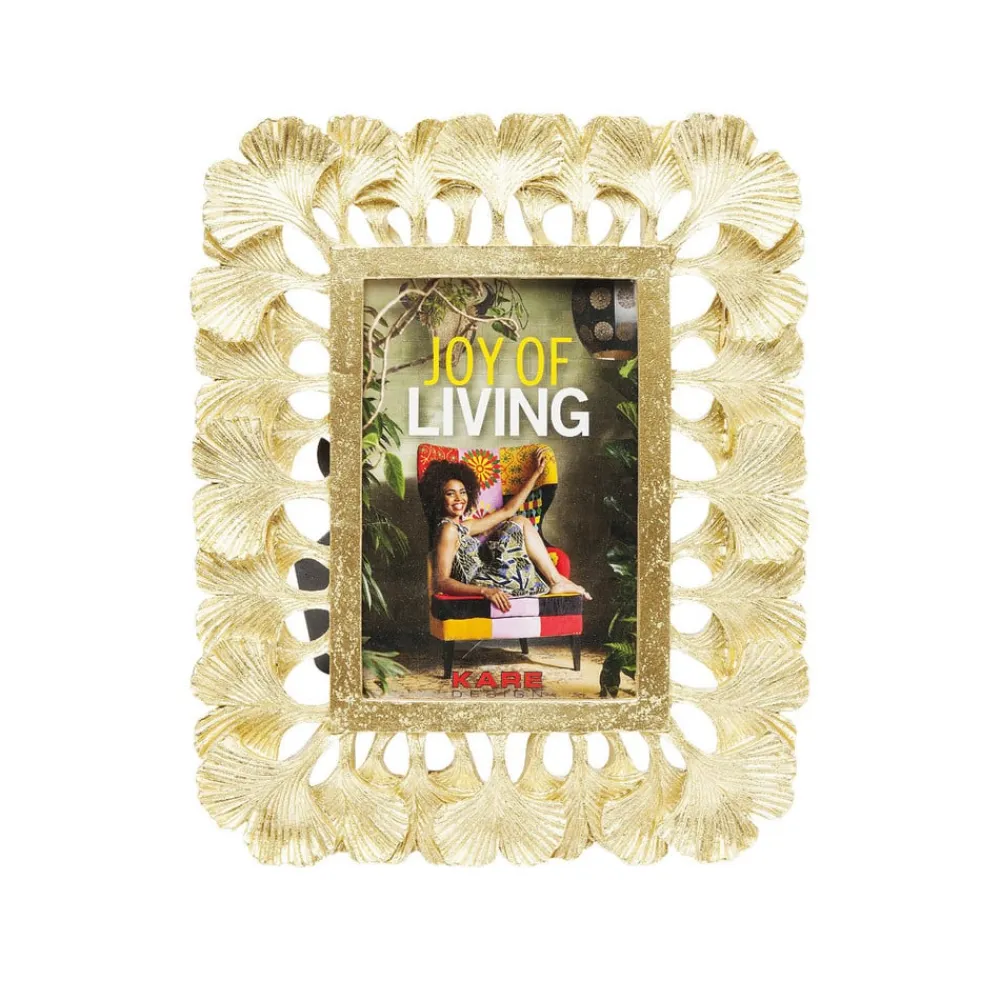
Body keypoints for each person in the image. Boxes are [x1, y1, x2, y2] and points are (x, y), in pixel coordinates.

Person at [418, 448, 592, 612]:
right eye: (450, 493)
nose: (459, 498)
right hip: (485, 584)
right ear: (439, 498)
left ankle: (557, 581)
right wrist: (485, 591)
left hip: (490, 576)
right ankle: (557, 581)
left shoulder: (464, 527)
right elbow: (442, 581)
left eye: (462, 492)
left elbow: (507, 511)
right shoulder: (448, 529)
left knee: (519, 521)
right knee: (519, 523)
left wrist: (536, 474)